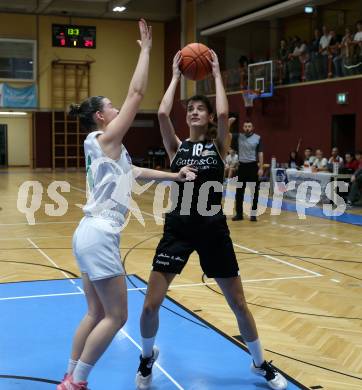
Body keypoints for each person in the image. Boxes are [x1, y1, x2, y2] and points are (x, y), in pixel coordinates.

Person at [135, 50, 287, 390]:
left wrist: (217, 72)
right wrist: (175, 75)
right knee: (149, 306)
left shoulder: (219, 145)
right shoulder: (177, 148)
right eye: (190, 108)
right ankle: (146, 358)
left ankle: (260, 364)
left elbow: (223, 112)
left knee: (238, 304)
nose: (193, 111)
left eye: (198, 108)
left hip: (213, 229)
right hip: (178, 228)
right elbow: (161, 112)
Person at [56, 20, 196, 390]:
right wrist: (147, 51)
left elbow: (133, 172)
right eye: (112, 107)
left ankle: (69, 374)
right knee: (116, 316)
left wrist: (174, 176)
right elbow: (136, 94)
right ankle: (78, 382)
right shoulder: (105, 139)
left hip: (88, 234)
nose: (119, 109)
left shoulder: (106, 147)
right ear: (101, 116)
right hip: (99, 234)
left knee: (95, 312)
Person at [232, 120, 263, 222]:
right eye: (245, 126)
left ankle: (253, 215)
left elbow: (260, 153)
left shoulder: (258, 138)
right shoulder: (238, 137)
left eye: (249, 126)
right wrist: (228, 123)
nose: (247, 128)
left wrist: (261, 168)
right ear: (243, 128)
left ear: (252, 128)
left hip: (253, 166)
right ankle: (239, 214)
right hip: (242, 167)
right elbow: (226, 135)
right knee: (239, 191)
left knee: (254, 192)